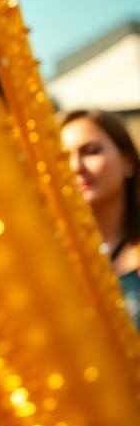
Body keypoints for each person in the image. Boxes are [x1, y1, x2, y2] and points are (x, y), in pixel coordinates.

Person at [60, 109, 140, 326]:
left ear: (128, 161)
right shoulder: (57, 261)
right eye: (63, 157)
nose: (76, 167)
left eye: (91, 151)